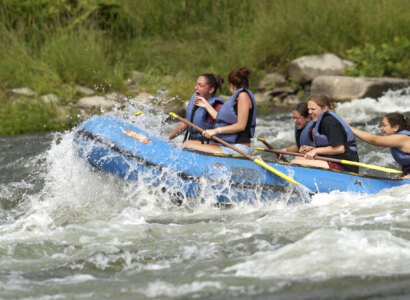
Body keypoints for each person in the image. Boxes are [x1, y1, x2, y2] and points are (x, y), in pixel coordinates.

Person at [183, 67, 256, 154]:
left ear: (231, 85)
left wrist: (215, 130)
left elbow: (241, 125)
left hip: (239, 148)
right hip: (229, 145)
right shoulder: (238, 97)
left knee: (188, 145)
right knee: (188, 143)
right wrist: (206, 105)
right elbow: (221, 120)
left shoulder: (243, 96)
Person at [291, 94, 360, 173]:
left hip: (344, 167)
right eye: (308, 109)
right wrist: (312, 148)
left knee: (295, 162)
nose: (309, 112)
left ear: (324, 108)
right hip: (333, 160)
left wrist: (316, 151)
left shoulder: (328, 121)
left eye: (313, 109)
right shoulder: (321, 120)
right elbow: (329, 145)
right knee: (298, 158)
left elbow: (340, 148)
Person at [352, 112, 410, 178]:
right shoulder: (400, 139)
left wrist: (350, 129)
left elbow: (374, 140)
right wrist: (400, 177)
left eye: (384, 125)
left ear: (395, 127)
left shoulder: (401, 138)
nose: (381, 128)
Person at [168, 73, 224, 142]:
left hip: (209, 145)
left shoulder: (217, 106)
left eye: (200, 85)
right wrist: (168, 138)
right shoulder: (196, 100)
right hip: (193, 142)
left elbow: (224, 125)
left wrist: (207, 106)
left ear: (211, 90)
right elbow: (188, 122)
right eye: (196, 84)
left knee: (187, 144)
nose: (196, 88)